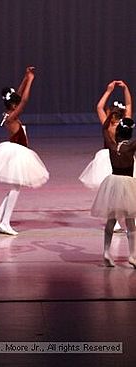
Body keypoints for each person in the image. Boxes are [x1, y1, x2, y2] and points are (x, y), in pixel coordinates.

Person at [0, 66, 49, 235]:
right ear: (13, 105)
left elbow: (18, 95)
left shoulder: (10, 113)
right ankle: (5, 221)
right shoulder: (11, 117)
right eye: (16, 103)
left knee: (15, 188)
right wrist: (31, 81)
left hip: (19, 152)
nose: (18, 103)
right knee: (15, 189)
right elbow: (23, 100)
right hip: (17, 154)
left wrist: (26, 77)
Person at [79, 80, 133, 232]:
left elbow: (100, 107)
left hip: (120, 157)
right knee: (119, 189)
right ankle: (117, 221)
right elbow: (102, 107)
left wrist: (113, 90)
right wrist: (122, 89)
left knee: (125, 190)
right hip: (111, 158)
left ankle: (128, 219)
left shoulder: (114, 123)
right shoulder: (111, 123)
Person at [90, 116, 136, 268]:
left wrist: (110, 116)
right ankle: (132, 255)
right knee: (130, 223)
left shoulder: (111, 145)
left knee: (111, 220)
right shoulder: (130, 147)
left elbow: (104, 129)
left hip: (113, 183)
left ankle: (106, 252)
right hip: (127, 184)